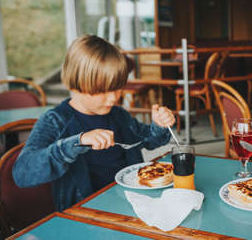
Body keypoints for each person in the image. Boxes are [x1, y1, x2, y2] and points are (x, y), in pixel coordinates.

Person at [13, 35, 175, 211]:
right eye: (103, 90)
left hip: (131, 203)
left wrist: (159, 125)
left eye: (118, 88)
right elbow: (22, 174)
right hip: (86, 212)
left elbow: (149, 141)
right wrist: (76, 142)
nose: (113, 98)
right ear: (76, 85)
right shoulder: (56, 121)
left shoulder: (118, 115)